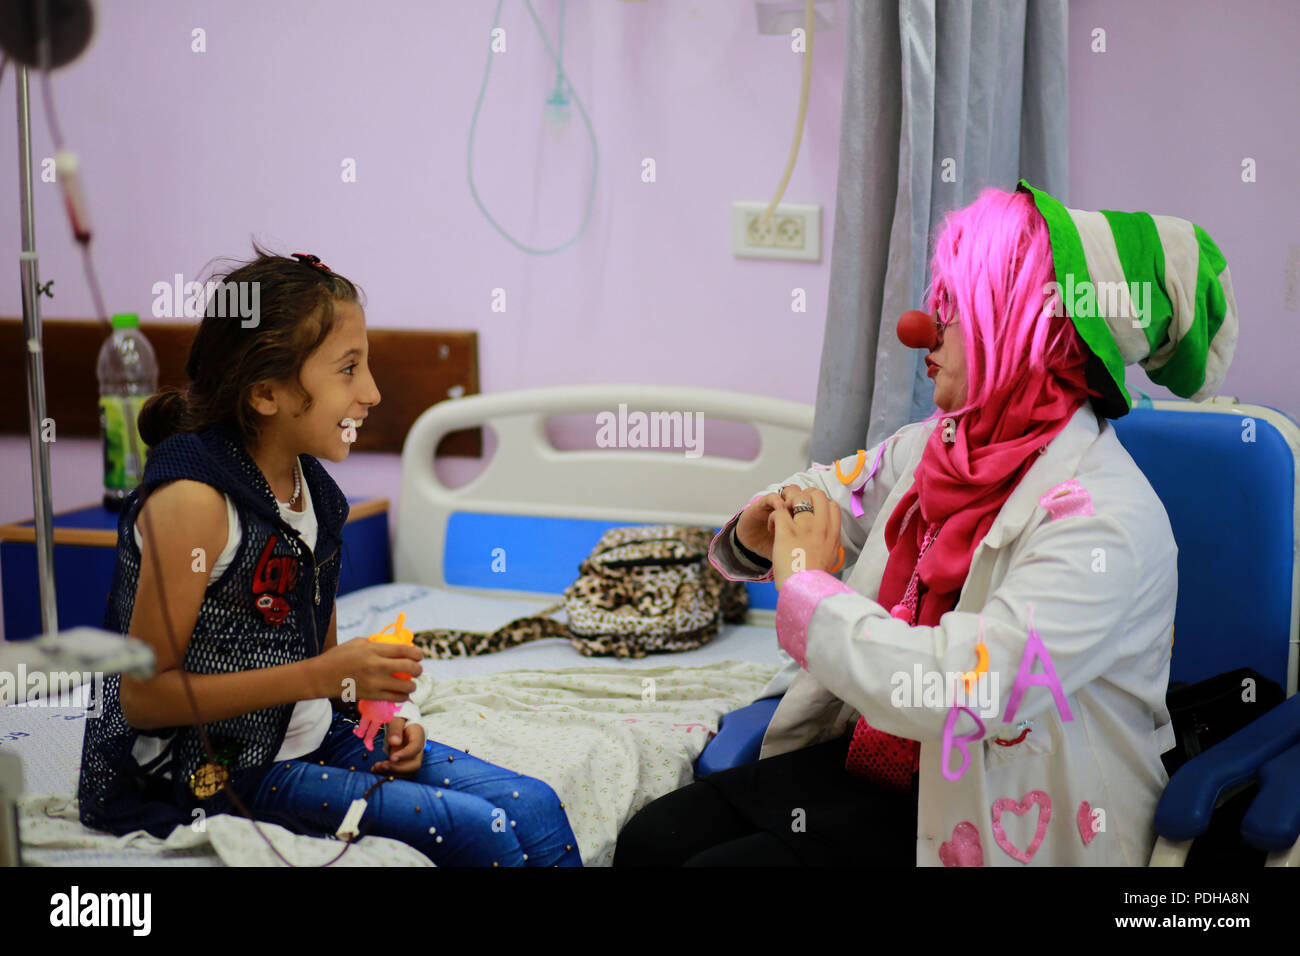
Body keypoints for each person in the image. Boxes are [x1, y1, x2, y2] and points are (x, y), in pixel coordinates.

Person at [614, 181, 1237, 866]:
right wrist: (769, 524)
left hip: (1017, 808)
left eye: (954, 308)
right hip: (893, 766)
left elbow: (967, 687)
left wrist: (808, 595)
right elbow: (838, 490)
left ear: (1032, 329)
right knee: (649, 840)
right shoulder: (938, 446)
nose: (922, 327)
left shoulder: (1104, 520)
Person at [78, 248, 582, 867]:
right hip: (216, 775)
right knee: (484, 832)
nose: (371, 392)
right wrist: (320, 676)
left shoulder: (312, 491)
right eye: (348, 369)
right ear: (266, 392)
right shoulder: (193, 503)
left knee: (532, 805)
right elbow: (142, 697)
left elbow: (324, 662)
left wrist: (385, 716)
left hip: (313, 736)